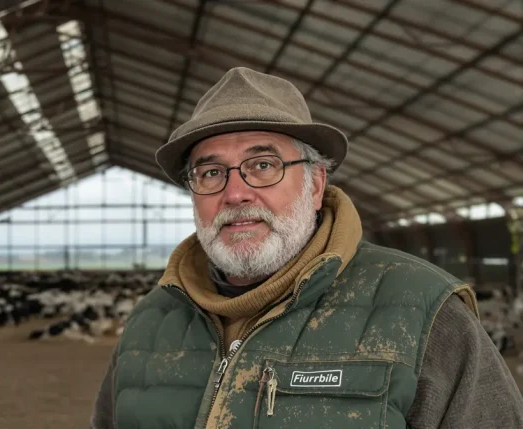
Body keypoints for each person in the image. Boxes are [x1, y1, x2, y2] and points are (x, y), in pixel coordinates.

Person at [89, 67, 523, 429]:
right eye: (210, 173)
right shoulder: (151, 320)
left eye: (263, 165)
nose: (235, 193)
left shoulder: (423, 311)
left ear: (315, 185)